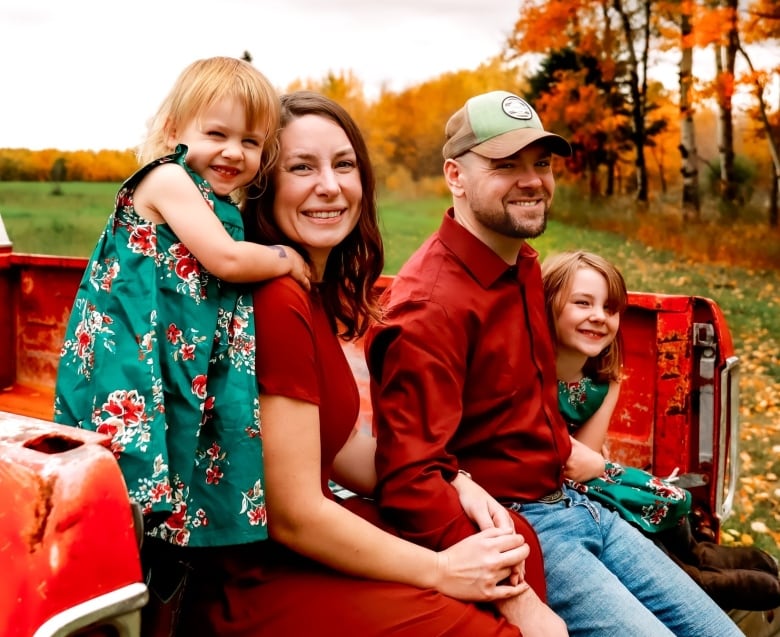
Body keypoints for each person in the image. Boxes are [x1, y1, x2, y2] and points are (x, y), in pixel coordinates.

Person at [176, 90, 565, 637]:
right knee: (485, 625)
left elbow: (340, 450)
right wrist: (441, 570)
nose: (330, 187)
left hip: (297, 541)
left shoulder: (305, 289)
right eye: (302, 167)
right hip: (256, 574)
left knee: (507, 539)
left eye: (344, 165)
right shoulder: (276, 299)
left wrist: (458, 482)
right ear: (265, 184)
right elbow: (295, 516)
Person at [365, 89, 744, 636]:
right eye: (505, 165)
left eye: (541, 163)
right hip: (521, 526)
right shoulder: (432, 305)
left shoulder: (520, 264)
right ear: (456, 175)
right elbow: (411, 480)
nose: (532, 180)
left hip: (577, 503)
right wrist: (515, 594)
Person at [53, 57, 310, 631]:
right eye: (215, 134)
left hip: (172, 364)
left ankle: (159, 583)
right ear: (174, 132)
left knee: (174, 479)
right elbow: (224, 260)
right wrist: (285, 259)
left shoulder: (221, 204)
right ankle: (108, 587)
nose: (233, 152)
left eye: (250, 141)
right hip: (132, 365)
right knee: (129, 482)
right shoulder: (167, 179)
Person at [543, 249, 780, 612]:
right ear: (547, 304)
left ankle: (696, 552)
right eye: (582, 303)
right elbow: (575, 466)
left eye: (609, 309)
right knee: (614, 501)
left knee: (649, 488)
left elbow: (589, 456)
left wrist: (606, 469)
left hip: (582, 470)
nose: (598, 317)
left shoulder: (604, 381)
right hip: (553, 482)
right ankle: (690, 578)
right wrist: (604, 469)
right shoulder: (533, 372)